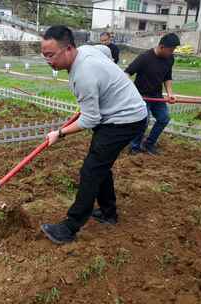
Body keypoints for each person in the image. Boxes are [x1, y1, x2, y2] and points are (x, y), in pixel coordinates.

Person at [39, 26, 148, 244]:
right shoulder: (89, 50)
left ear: (69, 48)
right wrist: (105, 85)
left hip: (125, 121)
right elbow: (107, 52)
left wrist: (59, 133)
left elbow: (90, 120)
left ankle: (70, 227)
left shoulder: (83, 75)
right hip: (121, 114)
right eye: (44, 56)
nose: (48, 61)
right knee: (99, 165)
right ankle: (108, 213)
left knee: (91, 170)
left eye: (51, 55)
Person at [125, 33, 180, 155]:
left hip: (157, 96)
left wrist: (170, 93)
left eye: (174, 50)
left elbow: (167, 77)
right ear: (161, 46)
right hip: (141, 97)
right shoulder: (145, 57)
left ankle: (148, 144)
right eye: (170, 50)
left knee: (164, 118)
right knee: (143, 122)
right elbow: (127, 73)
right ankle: (134, 147)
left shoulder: (170, 59)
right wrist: (132, 92)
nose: (172, 52)